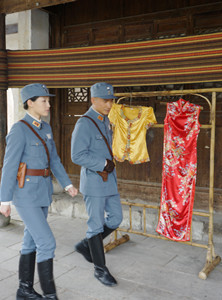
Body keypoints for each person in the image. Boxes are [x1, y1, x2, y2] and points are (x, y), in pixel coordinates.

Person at [0, 83, 78, 300]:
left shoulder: (46, 128)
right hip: (25, 194)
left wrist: (67, 183)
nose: (49, 104)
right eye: (43, 100)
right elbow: (9, 166)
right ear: (30, 103)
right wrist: (4, 199)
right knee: (47, 242)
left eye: (49, 100)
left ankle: (24, 289)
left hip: (42, 191)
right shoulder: (19, 130)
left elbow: (54, 160)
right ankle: (50, 295)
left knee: (31, 240)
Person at [71, 82, 123, 287]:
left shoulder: (105, 120)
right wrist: (102, 163)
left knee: (116, 218)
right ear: (93, 100)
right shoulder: (85, 123)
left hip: (109, 180)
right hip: (94, 181)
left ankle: (86, 245)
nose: (109, 104)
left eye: (111, 100)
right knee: (95, 225)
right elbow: (77, 155)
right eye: (105, 100)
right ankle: (100, 270)